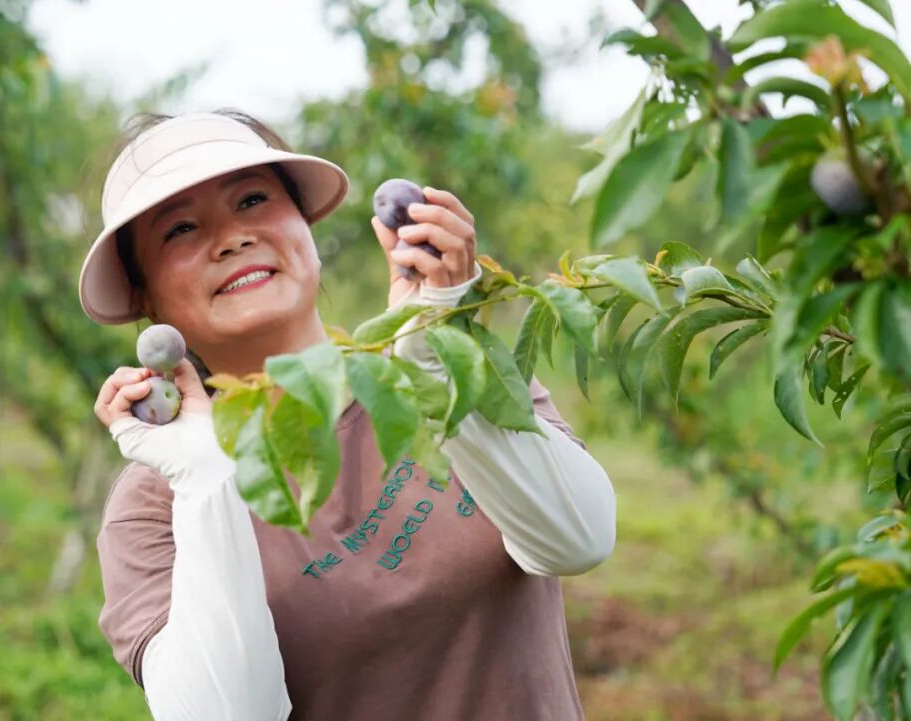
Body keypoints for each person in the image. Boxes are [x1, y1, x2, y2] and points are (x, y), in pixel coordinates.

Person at [80, 109, 616, 721]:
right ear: (144, 296)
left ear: (305, 225)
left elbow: (578, 540)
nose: (231, 238)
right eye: (179, 229)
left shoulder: (448, 362)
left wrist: (435, 361)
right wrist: (205, 476)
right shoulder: (158, 502)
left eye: (252, 199)